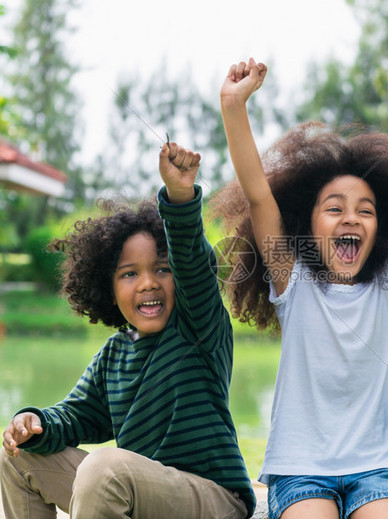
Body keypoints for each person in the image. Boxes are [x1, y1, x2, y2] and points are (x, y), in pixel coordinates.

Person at [216, 57, 388, 519]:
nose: (351, 217)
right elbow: (258, 194)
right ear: (306, 224)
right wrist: (233, 105)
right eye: (334, 208)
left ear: (381, 230)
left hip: (376, 469)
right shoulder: (291, 281)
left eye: (365, 210)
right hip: (301, 469)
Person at [0, 143, 256, 518]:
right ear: (109, 288)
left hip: (212, 498)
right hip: (137, 490)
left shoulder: (198, 326)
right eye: (130, 273)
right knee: (17, 457)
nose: (148, 283)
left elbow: (191, 255)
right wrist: (36, 423)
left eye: (162, 269)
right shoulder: (115, 353)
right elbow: (77, 416)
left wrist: (181, 196)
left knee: (104, 468)